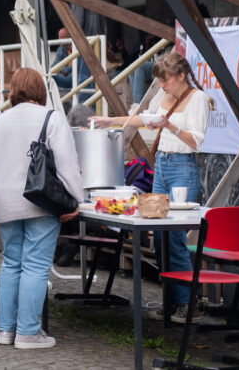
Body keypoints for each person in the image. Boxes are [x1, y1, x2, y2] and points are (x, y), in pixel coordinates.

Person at [89, 50, 212, 323]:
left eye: (166, 79)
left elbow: (197, 141)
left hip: (183, 166)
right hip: (163, 165)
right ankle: (172, 301)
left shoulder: (198, 98)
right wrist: (111, 121)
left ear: (182, 76)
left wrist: (170, 126)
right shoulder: (163, 94)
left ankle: (187, 303)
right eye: (160, 80)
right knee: (158, 235)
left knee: (176, 238)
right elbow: (145, 118)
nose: (163, 84)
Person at [0, 67, 83, 350]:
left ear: (14, 90)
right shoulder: (52, 118)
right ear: (40, 89)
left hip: (4, 202)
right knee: (36, 267)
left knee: (11, 263)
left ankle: (6, 330)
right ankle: (28, 333)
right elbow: (67, 165)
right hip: (40, 202)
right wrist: (76, 200)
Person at [71, 0, 108, 88]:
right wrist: (81, 46)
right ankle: (84, 106)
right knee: (84, 80)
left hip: (98, 45)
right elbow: (76, 24)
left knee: (96, 80)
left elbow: (103, 23)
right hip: (85, 46)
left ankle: (95, 106)